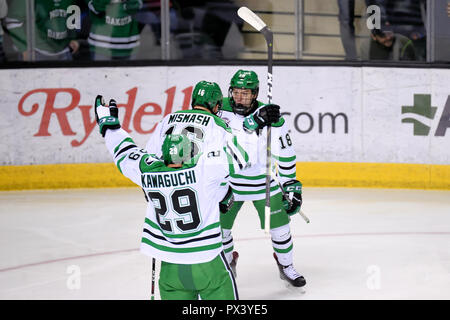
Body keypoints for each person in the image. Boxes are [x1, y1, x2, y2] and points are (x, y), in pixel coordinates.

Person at [93, 94, 244, 299]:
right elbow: (240, 154)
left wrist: (109, 126)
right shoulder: (203, 172)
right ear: (190, 152)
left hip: (170, 269)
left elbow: (124, 151)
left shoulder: (148, 172)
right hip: (207, 263)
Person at [219, 70, 306, 287]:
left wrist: (290, 184)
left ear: (255, 94)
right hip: (227, 183)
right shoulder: (218, 109)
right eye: (236, 92)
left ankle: (286, 266)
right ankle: (227, 263)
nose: (239, 98)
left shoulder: (271, 117)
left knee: (280, 228)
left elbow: (285, 153)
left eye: (245, 93)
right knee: (219, 230)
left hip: (263, 184)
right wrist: (251, 123)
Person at [4, 0, 80, 61]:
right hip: (36, 53)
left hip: (64, 52)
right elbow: (12, 22)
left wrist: (72, 38)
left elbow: (72, 15)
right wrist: (24, 49)